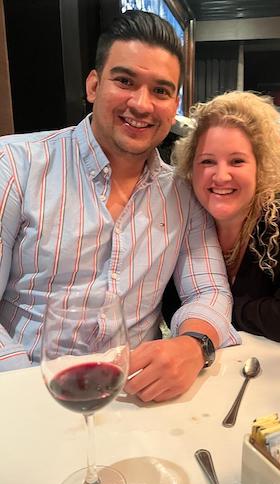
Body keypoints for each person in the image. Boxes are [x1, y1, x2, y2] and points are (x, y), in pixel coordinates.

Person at [0, 10, 239, 401]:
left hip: (133, 399)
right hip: (24, 393)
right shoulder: (14, 165)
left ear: (174, 103)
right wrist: (29, 388)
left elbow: (209, 290)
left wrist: (195, 345)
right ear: (94, 84)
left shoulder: (182, 192)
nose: (142, 104)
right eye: (125, 81)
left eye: (161, 91)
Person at [164, 91, 280, 345]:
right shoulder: (190, 219)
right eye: (207, 161)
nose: (221, 176)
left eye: (237, 161)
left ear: (261, 166)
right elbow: (172, 306)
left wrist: (218, 310)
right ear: (190, 167)